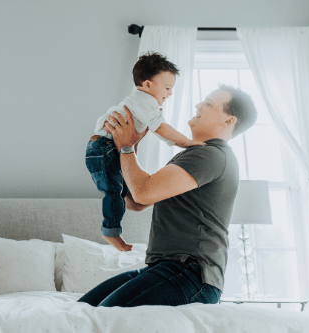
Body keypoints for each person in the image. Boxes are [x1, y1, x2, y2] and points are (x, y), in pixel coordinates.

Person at [78, 85, 258, 307]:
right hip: (167, 269)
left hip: (191, 274)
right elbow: (135, 201)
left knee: (102, 316)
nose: (198, 105)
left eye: (209, 104)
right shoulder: (196, 155)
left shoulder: (210, 155)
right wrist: (113, 157)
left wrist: (126, 146)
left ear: (229, 121)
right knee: (83, 309)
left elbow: (143, 193)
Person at [87, 52, 205, 252]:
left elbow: (142, 133)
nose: (169, 94)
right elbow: (160, 127)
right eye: (167, 88)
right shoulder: (144, 102)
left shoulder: (139, 103)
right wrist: (185, 142)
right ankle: (110, 231)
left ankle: (135, 201)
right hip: (104, 149)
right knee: (113, 192)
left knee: (126, 193)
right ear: (148, 85)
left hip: (105, 148)